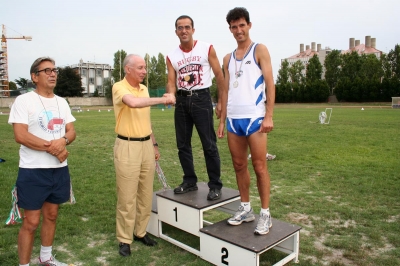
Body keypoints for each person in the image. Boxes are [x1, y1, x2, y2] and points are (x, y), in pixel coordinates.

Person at [8, 57, 76, 266]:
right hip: (32, 170)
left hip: (58, 171)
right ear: (34, 76)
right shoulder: (24, 101)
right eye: (46, 70)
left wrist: (63, 141)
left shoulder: (61, 102)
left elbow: (71, 131)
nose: (53, 73)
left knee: (52, 215)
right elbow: (21, 135)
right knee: (31, 222)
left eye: (54, 70)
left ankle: (45, 257)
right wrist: (55, 150)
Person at [218, 7, 276, 235]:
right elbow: (224, 91)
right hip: (233, 119)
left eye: (242, 25)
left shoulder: (259, 50)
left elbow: (270, 83)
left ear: (249, 25)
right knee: (239, 165)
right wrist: (222, 120)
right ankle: (245, 208)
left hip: (255, 118)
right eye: (234, 26)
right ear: (230, 29)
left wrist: (269, 115)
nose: (238, 30)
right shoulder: (227, 59)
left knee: (260, 166)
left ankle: (265, 214)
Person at [112, 54, 175, 257]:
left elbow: (146, 120)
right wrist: (164, 99)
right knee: (127, 197)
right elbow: (133, 103)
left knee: (146, 194)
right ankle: (124, 239)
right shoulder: (119, 87)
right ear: (128, 69)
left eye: (145, 67)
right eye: (140, 68)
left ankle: (140, 232)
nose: (144, 71)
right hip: (127, 146)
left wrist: (154, 144)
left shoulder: (144, 89)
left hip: (146, 145)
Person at [166, 15, 225, 200]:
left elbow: (219, 74)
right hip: (182, 102)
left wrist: (222, 101)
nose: (184, 30)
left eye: (187, 27)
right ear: (176, 31)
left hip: (202, 99)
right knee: (183, 145)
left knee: (209, 144)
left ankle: (215, 185)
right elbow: (171, 81)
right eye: (180, 28)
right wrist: (170, 95)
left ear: (193, 29)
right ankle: (190, 180)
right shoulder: (172, 56)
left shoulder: (206, 48)